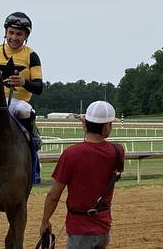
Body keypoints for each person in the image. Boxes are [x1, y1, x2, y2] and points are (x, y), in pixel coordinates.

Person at [39, 100, 125, 249]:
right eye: (111, 123)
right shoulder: (118, 151)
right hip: (103, 228)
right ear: (106, 126)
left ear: (84, 124)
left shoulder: (70, 154)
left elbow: (53, 195)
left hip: (79, 230)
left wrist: (45, 221)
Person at [0, 11, 43, 149]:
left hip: (19, 104)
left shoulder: (31, 55)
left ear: (26, 35)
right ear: (6, 32)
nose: (14, 37)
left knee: (24, 110)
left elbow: (39, 87)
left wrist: (24, 82)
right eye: (11, 33)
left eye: (19, 34)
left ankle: (32, 140)